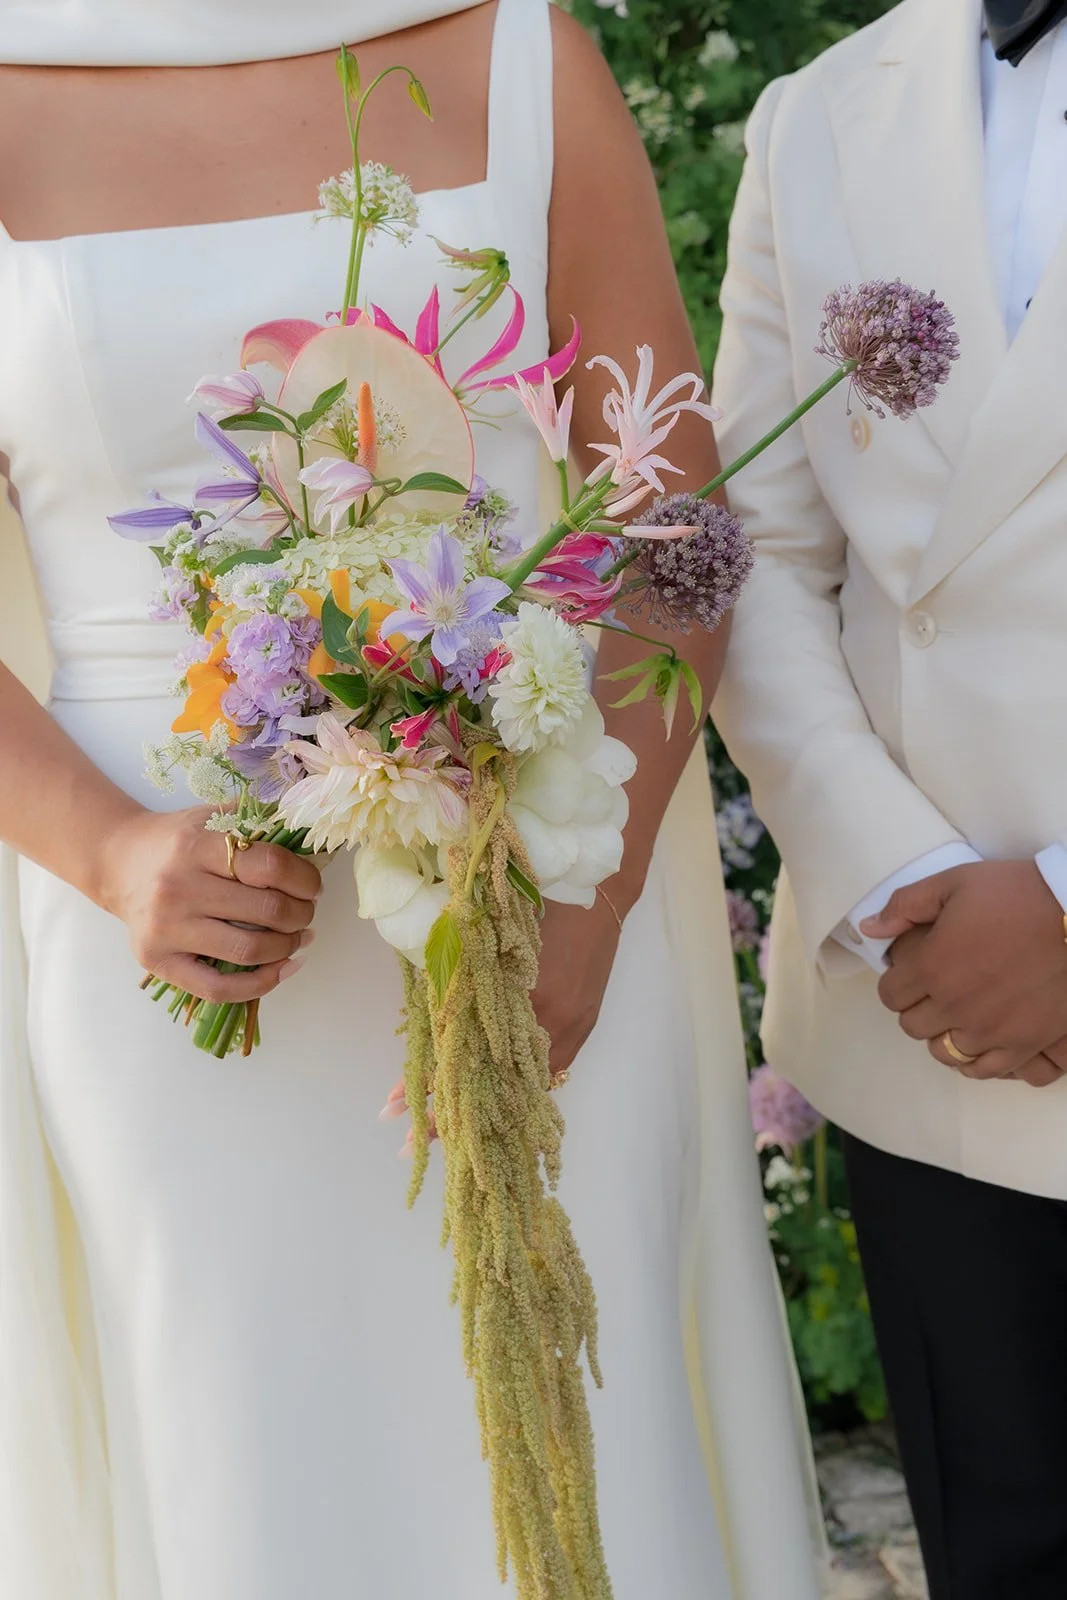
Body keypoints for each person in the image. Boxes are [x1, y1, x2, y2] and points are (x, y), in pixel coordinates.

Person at [0, 1, 823, 1594]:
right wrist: (110, 853)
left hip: (542, 901)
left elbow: (671, 531)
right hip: (176, 952)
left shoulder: (523, 51)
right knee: (247, 1462)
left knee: (578, 1462)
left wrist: (577, 908)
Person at [714, 0, 1067, 1595]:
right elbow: (758, 552)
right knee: (1006, 1545)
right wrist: (892, 871)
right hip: (928, 1025)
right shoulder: (815, 115)